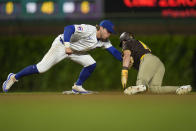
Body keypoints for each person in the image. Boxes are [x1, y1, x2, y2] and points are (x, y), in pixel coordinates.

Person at [2, 20, 122, 94]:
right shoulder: (89, 29)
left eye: (111, 32)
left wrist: (126, 60)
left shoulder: (105, 41)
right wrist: (67, 46)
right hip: (61, 45)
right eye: (108, 31)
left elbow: (114, 52)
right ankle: (13, 77)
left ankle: (78, 86)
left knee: (91, 63)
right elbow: (68, 29)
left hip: (75, 51)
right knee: (41, 68)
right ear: (101, 28)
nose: (109, 34)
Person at [120, 32, 192, 95]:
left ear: (124, 40)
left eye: (122, 42)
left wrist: (124, 71)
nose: (122, 45)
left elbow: (126, 55)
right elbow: (130, 60)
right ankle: (181, 88)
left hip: (147, 59)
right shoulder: (136, 45)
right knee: (155, 89)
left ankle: (140, 85)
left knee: (141, 83)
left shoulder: (127, 42)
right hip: (158, 63)